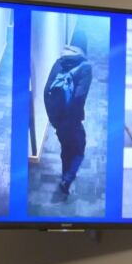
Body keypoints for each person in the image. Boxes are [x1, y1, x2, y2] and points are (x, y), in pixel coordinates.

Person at [44, 30, 92, 198]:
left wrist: (54, 120)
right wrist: (73, 121)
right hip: (72, 121)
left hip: (58, 120)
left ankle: (65, 175)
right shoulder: (85, 67)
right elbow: (79, 98)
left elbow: (46, 91)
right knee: (79, 150)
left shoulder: (59, 61)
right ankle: (68, 178)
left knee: (66, 149)